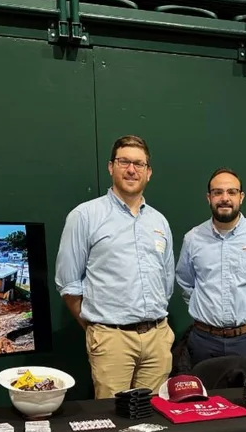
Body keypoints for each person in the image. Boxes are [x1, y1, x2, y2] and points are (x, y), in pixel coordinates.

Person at [55, 135, 175, 399]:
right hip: (112, 339)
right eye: (124, 162)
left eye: (139, 164)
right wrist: (98, 330)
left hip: (157, 339)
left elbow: (166, 281)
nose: (132, 170)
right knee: (113, 422)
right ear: (111, 167)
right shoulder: (85, 216)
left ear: (149, 172)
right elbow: (68, 283)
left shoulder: (159, 221)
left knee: (155, 419)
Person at [175, 168, 246, 369]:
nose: (224, 198)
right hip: (204, 341)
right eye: (218, 192)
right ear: (208, 197)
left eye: (232, 192)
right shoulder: (193, 238)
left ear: (241, 197)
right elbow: (186, 282)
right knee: (205, 400)